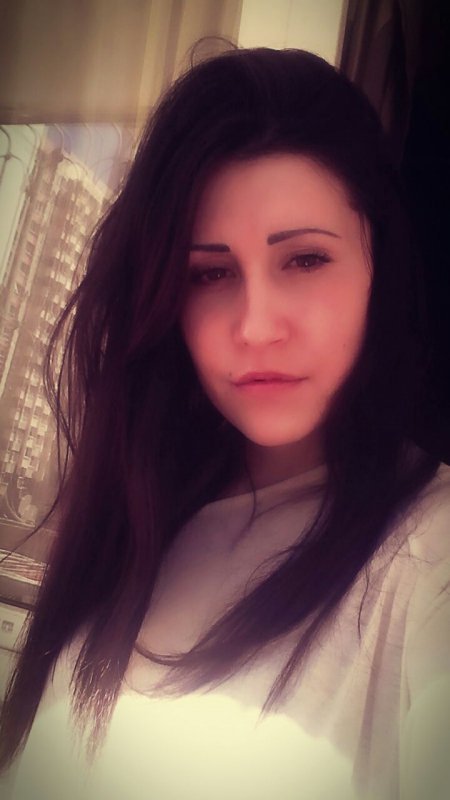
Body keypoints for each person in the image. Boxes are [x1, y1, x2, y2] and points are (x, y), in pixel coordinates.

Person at [0, 45, 449, 800]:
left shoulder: (426, 563)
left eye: (304, 260)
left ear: (382, 266)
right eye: (210, 273)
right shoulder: (139, 515)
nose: (256, 326)